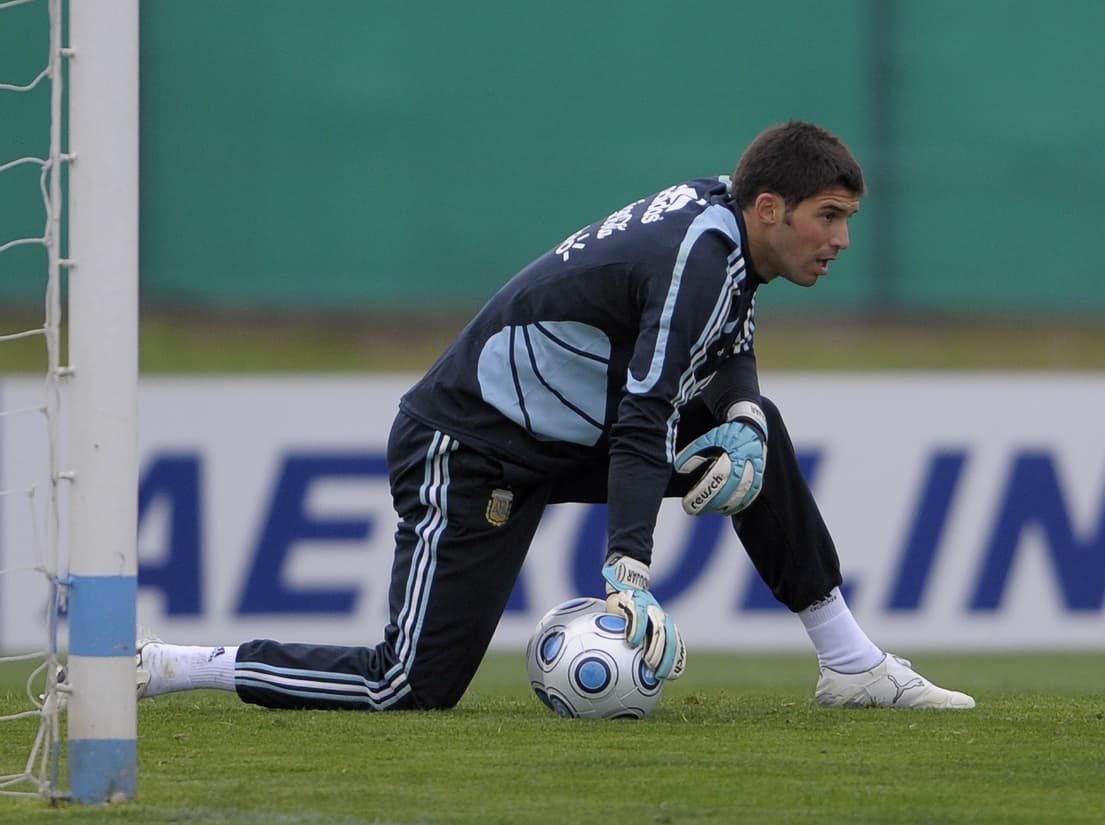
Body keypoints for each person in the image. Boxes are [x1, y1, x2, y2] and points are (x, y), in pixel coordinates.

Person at [136, 120, 975, 711]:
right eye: (828, 217)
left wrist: (746, 414)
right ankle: (185, 664)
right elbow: (648, 411)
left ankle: (850, 662)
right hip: (466, 449)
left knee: (760, 437)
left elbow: (722, 350)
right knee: (407, 687)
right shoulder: (699, 250)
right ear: (769, 208)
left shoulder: (723, 235)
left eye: (848, 220)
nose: (841, 239)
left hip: (557, 439)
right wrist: (629, 572)